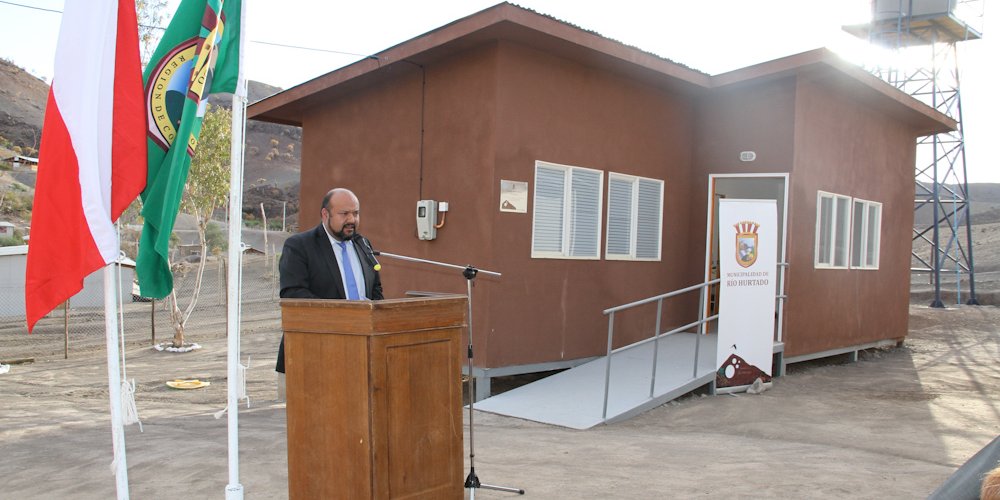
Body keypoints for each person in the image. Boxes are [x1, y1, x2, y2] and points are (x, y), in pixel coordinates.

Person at [274, 188, 384, 394]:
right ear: (325, 214)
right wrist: (343, 316)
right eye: (344, 214)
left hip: (361, 353)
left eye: (356, 213)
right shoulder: (299, 246)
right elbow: (293, 294)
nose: (352, 219)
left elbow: (375, 290)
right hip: (313, 355)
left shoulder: (362, 245)